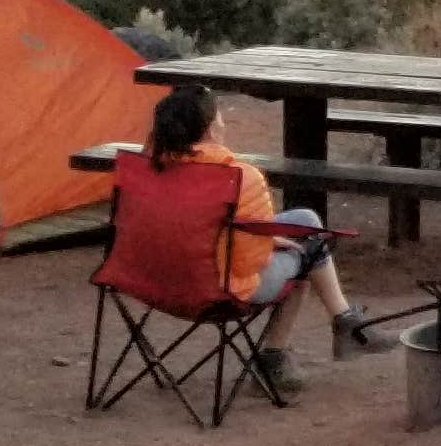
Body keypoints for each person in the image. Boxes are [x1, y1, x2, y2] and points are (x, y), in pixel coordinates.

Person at [138, 83, 366, 399]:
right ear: (210, 129)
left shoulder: (144, 170)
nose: (224, 121)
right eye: (219, 115)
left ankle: (343, 321)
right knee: (307, 251)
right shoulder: (238, 177)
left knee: (305, 221)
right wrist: (269, 242)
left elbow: (183, 225)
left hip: (152, 281)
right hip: (216, 290)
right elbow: (253, 260)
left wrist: (267, 238)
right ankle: (279, 354)